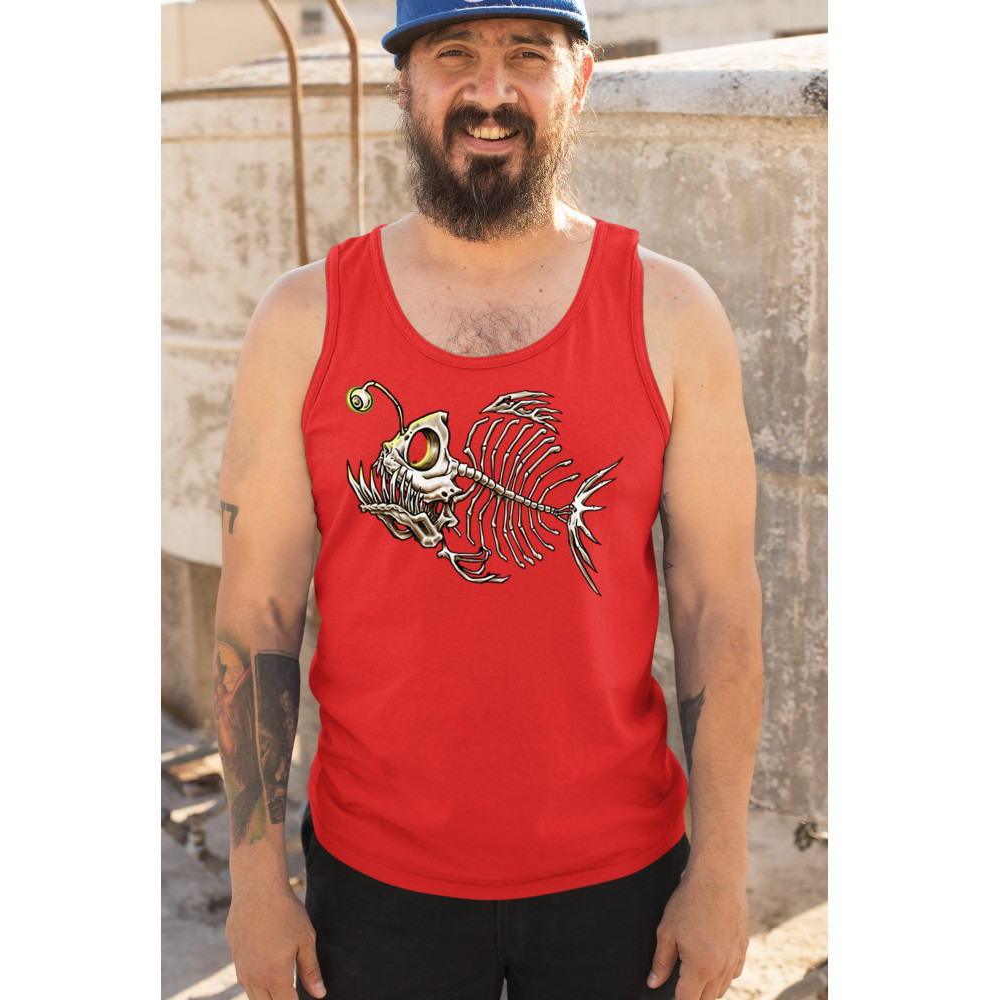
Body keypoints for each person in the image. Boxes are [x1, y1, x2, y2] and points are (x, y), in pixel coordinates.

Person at [212, 0, 764, 997]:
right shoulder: (302, 320)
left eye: (527, 55)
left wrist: (720, 871)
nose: (491, 91)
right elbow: (257, 613)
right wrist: (256, 883)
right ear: (406, 84)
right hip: (375, 888)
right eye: (454, 53)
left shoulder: (672, 311)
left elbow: (718, 605)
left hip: (622, 884)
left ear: (580, 80)